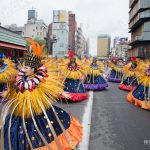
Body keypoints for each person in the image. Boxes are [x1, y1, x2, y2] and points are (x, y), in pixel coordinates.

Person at [0, 39, 83, 150]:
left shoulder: (40, 80)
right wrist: (8, 94)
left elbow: (52, 89)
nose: (23, 69)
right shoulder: (18, 78)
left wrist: (61, 92)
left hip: (37, 112)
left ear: (33, 70)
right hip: (20, 112)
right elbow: (14, 91)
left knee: (42, 131)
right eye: (24, 67)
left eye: (26, 68)